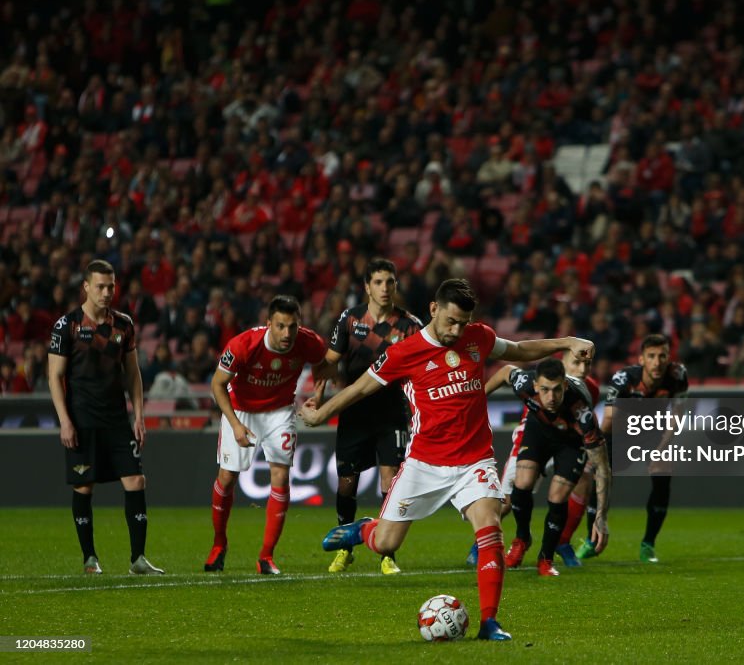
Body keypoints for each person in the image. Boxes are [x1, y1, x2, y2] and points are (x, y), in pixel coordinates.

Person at [300, 279, 597, 641]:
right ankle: (364, 529)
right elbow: (361, 387)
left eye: (464, 322)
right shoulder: (403, 353)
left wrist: (568, 342)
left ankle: (490, 622)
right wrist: (320, 415)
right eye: (452, 321)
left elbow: (518, 350)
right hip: (424, 463)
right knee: (386, 543)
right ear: (434, 309)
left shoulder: (478, 337)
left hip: (474, 460)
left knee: (490, 526)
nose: (457, 330)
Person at [47, 259, 163, 575]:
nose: (106, 292)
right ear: (86, 286)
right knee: (84, 487)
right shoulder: (66, 326)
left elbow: (133, 374)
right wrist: (65, 421)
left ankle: (138, 559)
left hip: (116, 419)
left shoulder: (123, 325)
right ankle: (90, 559)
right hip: (82, 420)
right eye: (100, 286)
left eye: (110, 286)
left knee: (136, 480)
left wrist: (139, 415)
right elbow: (55, 376)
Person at [205, 295, 328, 575]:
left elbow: (323, 363)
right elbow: (217, 384)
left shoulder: (309, 342)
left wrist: (318, 394)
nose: (287, 334)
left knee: (281, 476)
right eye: (281, 326)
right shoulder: (243, 345)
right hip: (241, 410)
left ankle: (266, 557)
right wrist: (235, 425)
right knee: (227, 477)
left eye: (293, 327)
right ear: (269, 323)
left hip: (280, 411)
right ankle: (219, 544)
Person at [319, 259, 423, 575]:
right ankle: (345, 548)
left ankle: (386, 553)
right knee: (347, 483)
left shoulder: (409, 325)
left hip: (392, 412)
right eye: (378, 282)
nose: (385, 288)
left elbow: (421, 369)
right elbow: (330, 360)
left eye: (390, 282)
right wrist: (319, 394)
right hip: (354, 412)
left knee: (389, 482)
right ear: (367, 287)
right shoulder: (349, 320)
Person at [465, 352, 601, 569]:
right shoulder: (531, 382)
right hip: (534, 436)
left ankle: (560, 544)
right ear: (562, 363)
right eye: (576, 363)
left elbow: (589, 434)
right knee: (512, 496)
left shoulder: (589, 391)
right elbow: (506, 372)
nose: (583, 370)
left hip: (568, 440)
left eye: (587, 364)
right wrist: (476, 400)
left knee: (580, 481)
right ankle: (488, 542)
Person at [578, 334, 688, 563]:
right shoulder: (624, 379)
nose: (657, 362)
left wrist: (661, 448)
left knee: (662, 475)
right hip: (620, 433)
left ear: (668, 358)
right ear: (642, 360)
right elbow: (608, 421)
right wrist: (597, 452)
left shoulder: (678, 376)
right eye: (651, 356)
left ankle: (648, 544)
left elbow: (676, 418)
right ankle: (591, 539)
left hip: (654, 433)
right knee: (600, 479)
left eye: (662, 356)